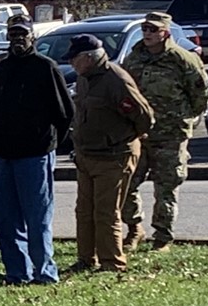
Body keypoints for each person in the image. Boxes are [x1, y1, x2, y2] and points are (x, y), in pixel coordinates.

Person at [0, 14, 74, 285]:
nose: (18, 39)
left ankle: (44, 272)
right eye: (13, 34)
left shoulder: (45, 68)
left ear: (32, 36)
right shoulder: (0, 69)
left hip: (36, 154)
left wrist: (50, 142)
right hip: (4, 155)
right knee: (8, 221)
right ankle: (17, 273)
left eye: (23, 34)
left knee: (38, 218)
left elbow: (66, 112)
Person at [120, 12, 208, 253]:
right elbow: (125, 89)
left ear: (165, 33)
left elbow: (200, 93)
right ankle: (134, 228)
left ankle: (163, 237)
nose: (147, 34)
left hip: (171, 134)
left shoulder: (182, 59)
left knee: (166, 187)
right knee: (126, 183)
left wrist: (186, 118)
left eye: (153, 30)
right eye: (145, 29)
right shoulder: (134, 59)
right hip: (139, 133)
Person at [66, 35, 154, 273]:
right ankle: (86, 258)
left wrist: (125, 138)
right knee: (84, 211)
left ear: (88, 58)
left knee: (106, 212)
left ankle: (112, 263)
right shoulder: (85, 79)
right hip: (86, 155)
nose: (71, 64)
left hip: (113, 156)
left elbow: (144, 117)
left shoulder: (116, 80)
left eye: (75, 59)